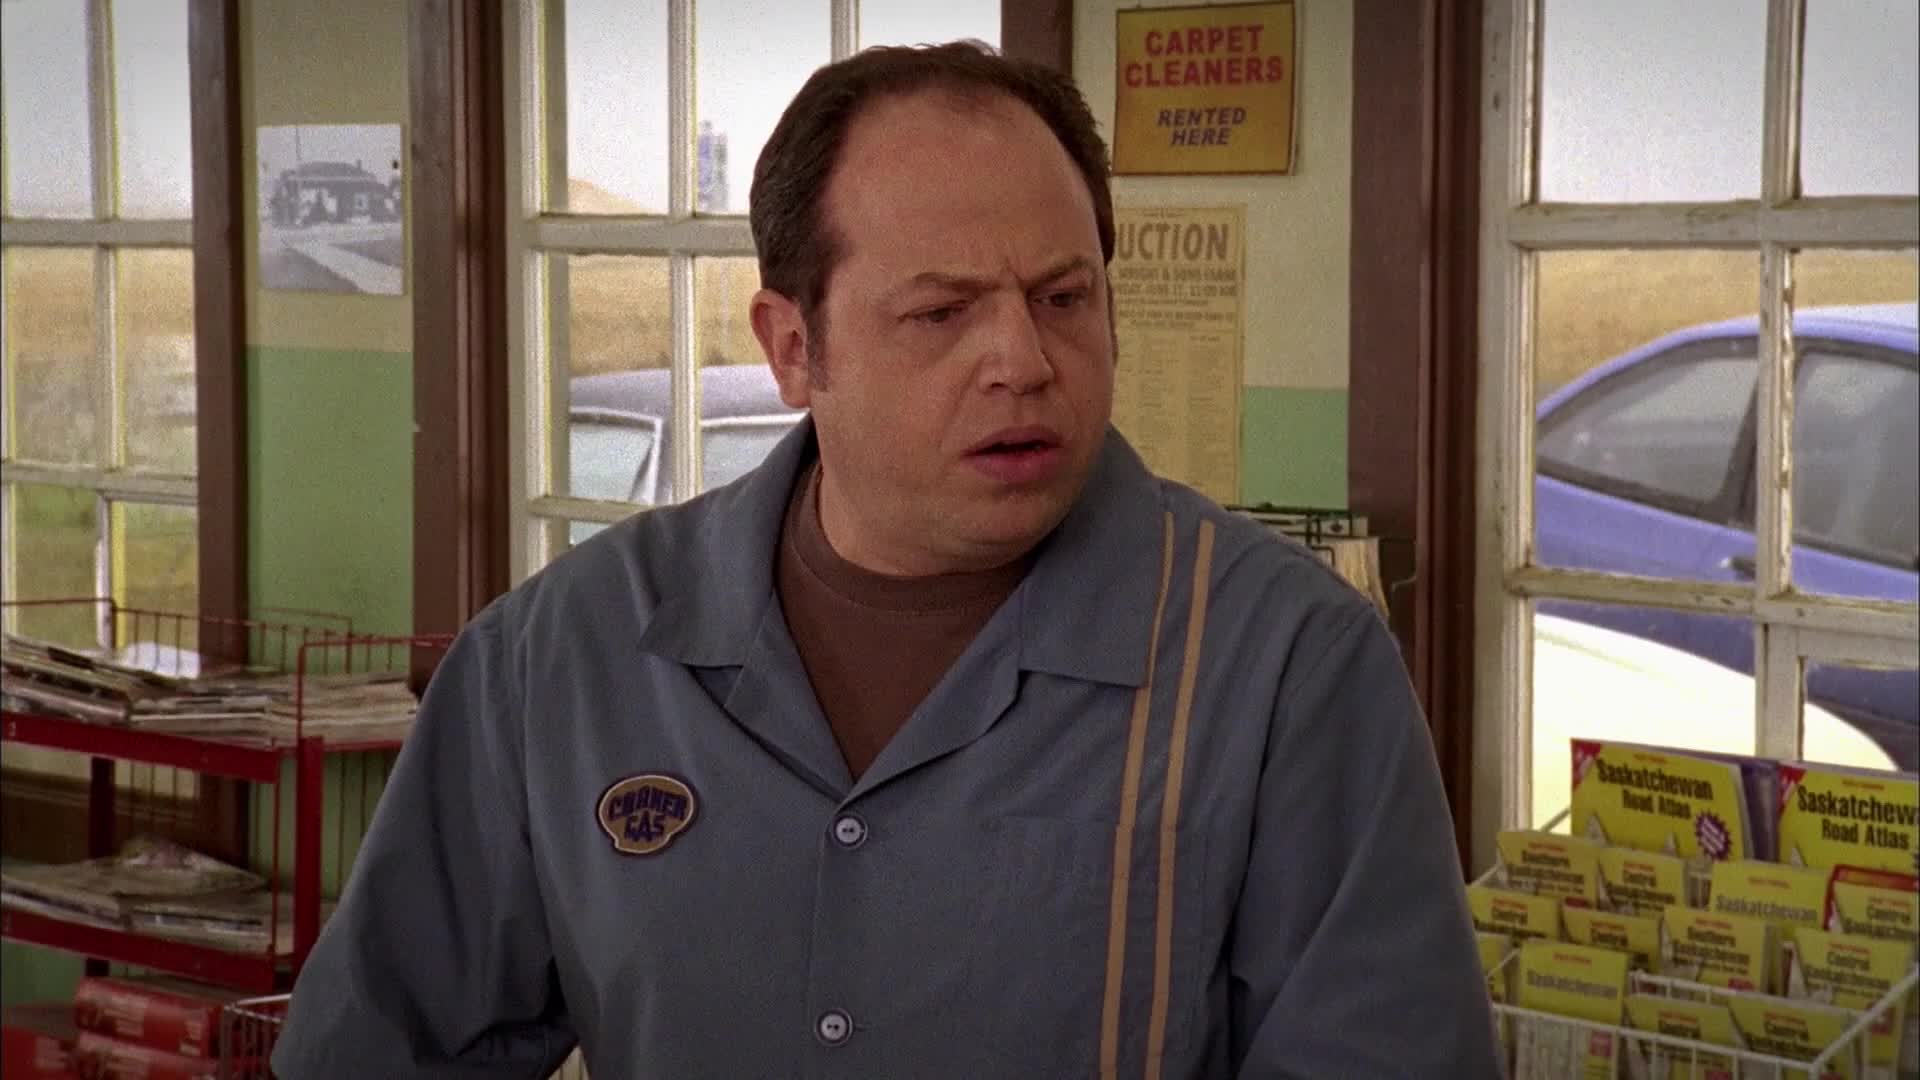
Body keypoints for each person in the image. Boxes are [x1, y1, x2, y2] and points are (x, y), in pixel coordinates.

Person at [272, 41, 1500, 1078]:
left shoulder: (1290, 671)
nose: (1023, 361)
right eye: (941, 312)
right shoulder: (558, 660)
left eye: (1064, 297)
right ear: (792, 347)